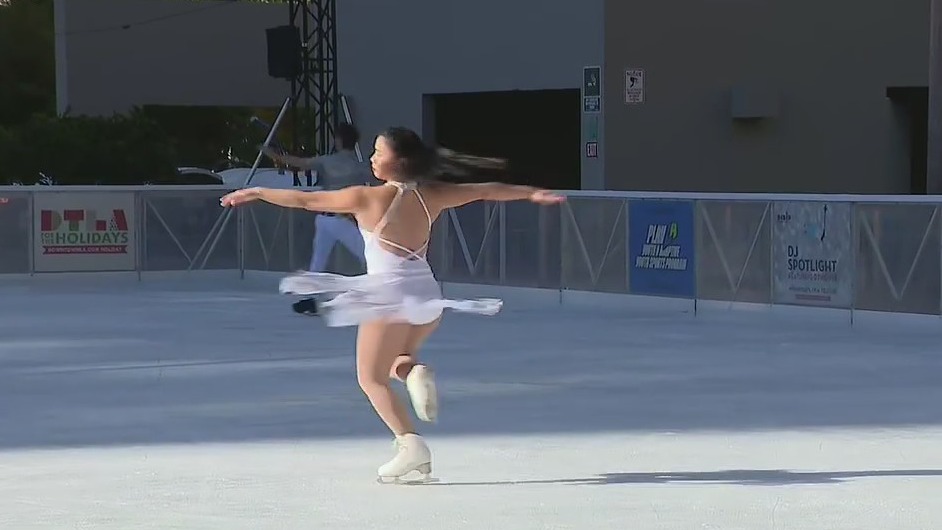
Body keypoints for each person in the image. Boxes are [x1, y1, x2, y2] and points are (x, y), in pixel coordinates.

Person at [220, 127, 565, 483]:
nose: (371, 158)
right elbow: (486, 191)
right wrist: (532, 193)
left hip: (388, 298)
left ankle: (410, 444)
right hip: (427, 298)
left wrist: (258, 191)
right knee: (394, 363)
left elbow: (307, 201)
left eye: (377, 152)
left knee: (369, 378)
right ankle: (413, 373)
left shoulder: (366, 198)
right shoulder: (433, 196)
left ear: (398, 161)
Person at [262, 122, 373, 316]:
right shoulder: (359, 166)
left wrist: (274, 155)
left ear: (338, 141)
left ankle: (312, 298)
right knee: (367, 255)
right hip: (342, 219)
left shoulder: (327, 161)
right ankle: (311, 298)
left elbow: (298, 163)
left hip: (325, 218)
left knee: (320, 260)